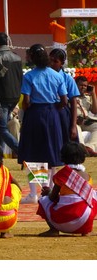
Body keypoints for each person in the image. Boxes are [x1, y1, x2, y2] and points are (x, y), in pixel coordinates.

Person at [19, 44, 68, 204]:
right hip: (52, 114)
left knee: (35, 153)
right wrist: (53, 108)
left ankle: (34, 193)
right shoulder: (56, 75)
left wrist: (29, 108)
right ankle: (49, 189)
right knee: (51, 152)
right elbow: (64, 100)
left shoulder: (29, 76)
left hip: (35, 114)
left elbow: (25, 101)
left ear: (32, 57)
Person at [37, 142, 97, 237]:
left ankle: (53, 230)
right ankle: (87, 231)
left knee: (43, 200)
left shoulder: (61, 175)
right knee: (93, 196)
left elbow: (52, 198)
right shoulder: (87, 176)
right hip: (83, 221)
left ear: (63, 157)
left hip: (63, 222)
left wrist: (48, 193)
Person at [0, 33, 22, 155]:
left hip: (2, 97)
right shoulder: (17, 57)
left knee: (1, 129)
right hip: (15, 97)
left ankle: (21, 151)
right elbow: (20, 78)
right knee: (1, 127)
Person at [49, 48, 80, 144]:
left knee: (65, 140)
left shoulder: (67, 79)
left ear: (62, 63)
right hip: (48, 110)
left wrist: (74, 125)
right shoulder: (45, 76)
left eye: (55, 61)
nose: (51, 63)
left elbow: (73, 102)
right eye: (50, 60)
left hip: (62, 112)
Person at [75, 76, 97, 156]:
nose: (83, 87)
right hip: (75, 121)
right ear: (75, 85)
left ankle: (89, 148)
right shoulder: (71, 97)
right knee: (77, 128)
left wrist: (93, 94)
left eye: (85, 85)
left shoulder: (87, 97)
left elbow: (95, 111)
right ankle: (82, 149)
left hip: (86, 121)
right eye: (81, 85)